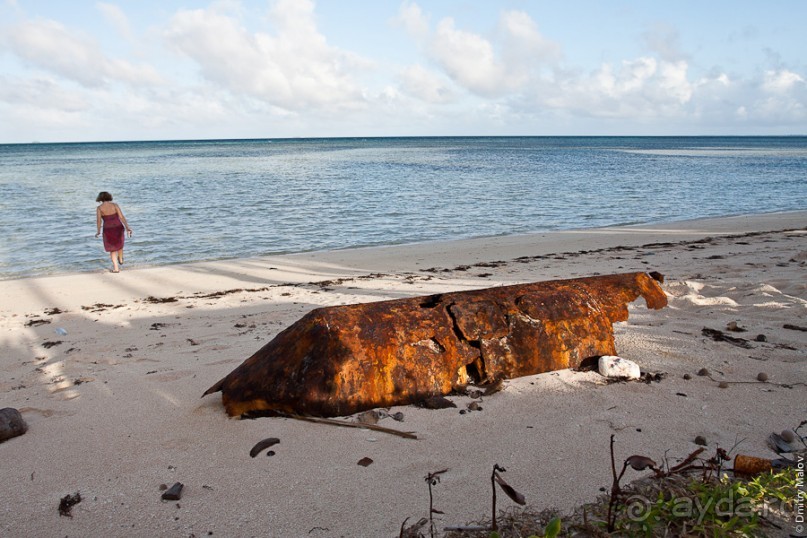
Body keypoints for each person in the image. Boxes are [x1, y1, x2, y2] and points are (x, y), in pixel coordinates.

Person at [95, 191, 132, 273]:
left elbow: (98, 221)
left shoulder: (99, 208)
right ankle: (121, 258)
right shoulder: (115, 205)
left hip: (108, 229)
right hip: (118, 227)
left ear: (100, 198)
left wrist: (98, 231)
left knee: (112, 249)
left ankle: (116, 269)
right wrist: (127, 227)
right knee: (119, 243)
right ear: (109, 197)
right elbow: (121, 217)